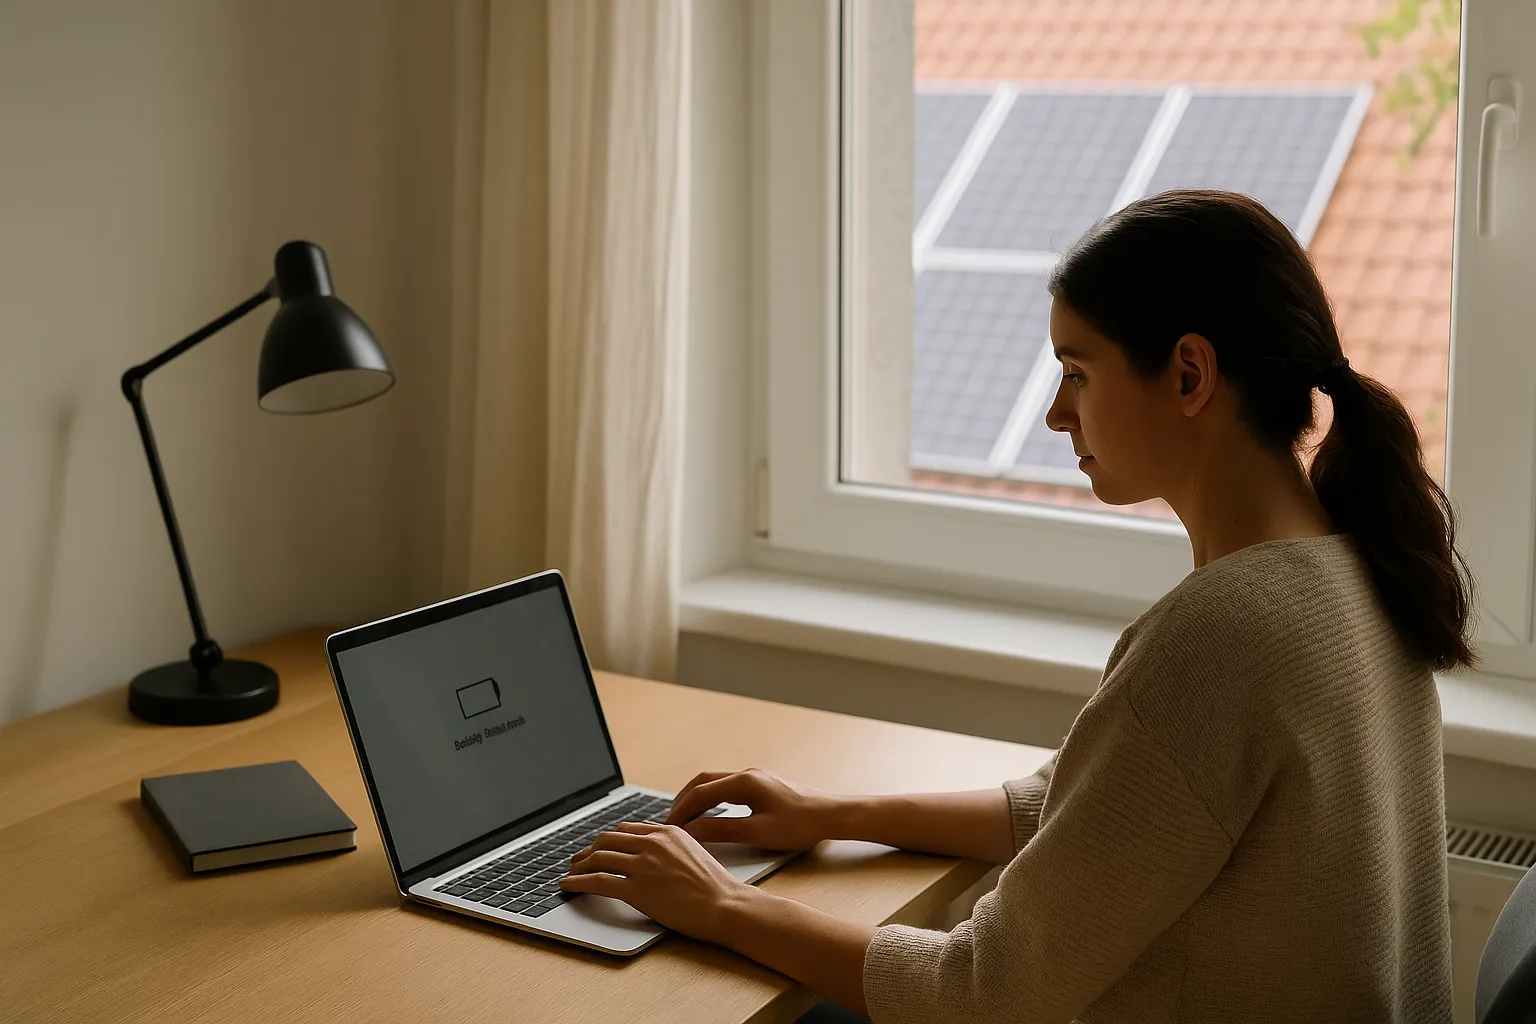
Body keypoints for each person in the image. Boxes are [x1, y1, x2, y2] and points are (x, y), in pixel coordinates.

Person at [559, 189, 1470, 1023]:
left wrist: (720, 903)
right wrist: (831, 815)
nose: (1054, 416)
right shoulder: (1353, 575)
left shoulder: (1226, 634)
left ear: (1190, 375)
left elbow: (982, 994)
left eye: (1077, 372)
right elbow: (1091, 811)